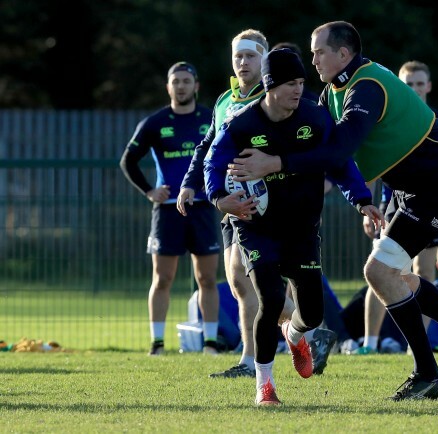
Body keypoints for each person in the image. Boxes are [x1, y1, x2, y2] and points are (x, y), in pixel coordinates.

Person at [226, 21, 438, 400]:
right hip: (409, 190)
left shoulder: (366, 87)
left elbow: (337, 152)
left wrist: (274, 163)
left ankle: (427, 373)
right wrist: (357, 198)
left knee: (379, 271)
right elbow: (325, 156)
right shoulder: (331, 93)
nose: (314, 59)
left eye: (320, 51)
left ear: (343, 53)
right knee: (394, 275)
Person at [203, 48, 383, 406]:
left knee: (312, 312)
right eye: (289, 83)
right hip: (256, 226)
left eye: (301, 82)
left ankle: (295, 334)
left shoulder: (315, 117)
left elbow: (339, 163)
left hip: (301, 226)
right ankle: (265, 386)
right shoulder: (242, 124)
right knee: (269, 299)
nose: (298, 89)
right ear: (270, 85)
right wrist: (220, 199)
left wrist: (362, 200)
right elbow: (213, 162)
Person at [176, 30, 338, 378]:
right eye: (237, 57)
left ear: (265, 61)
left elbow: (323, 150)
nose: (243, 63)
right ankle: (290, 342)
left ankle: (269, 351)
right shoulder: (225, 102)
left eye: (250, 56)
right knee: (240, 283)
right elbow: (207, 147)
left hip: (284, 208)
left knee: (262, 280)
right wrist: (191, 184)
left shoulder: (291, 100)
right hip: (238, 203)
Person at [355, 60, 438, 355]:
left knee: (424, 272)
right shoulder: (386, 116)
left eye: (418, 83)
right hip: (392, 203)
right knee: (380, 268)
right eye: (407, 84)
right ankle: (369, 344)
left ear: (428, 86)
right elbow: (370, 160)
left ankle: (418, 346)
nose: (413, 89)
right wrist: (368, 203)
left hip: (430, 203)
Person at [120, 61, 221, 356]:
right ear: (168, 87)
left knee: (207, 278)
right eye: (175, 81)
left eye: (186, 80)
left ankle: (211, 343)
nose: (181, 86)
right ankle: (157, 344)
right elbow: (128, 160)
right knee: (162, 279)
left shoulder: (209, 119)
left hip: (202, 207)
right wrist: (149, 191)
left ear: (196, 86)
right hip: (167, 210)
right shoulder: (155, 122)